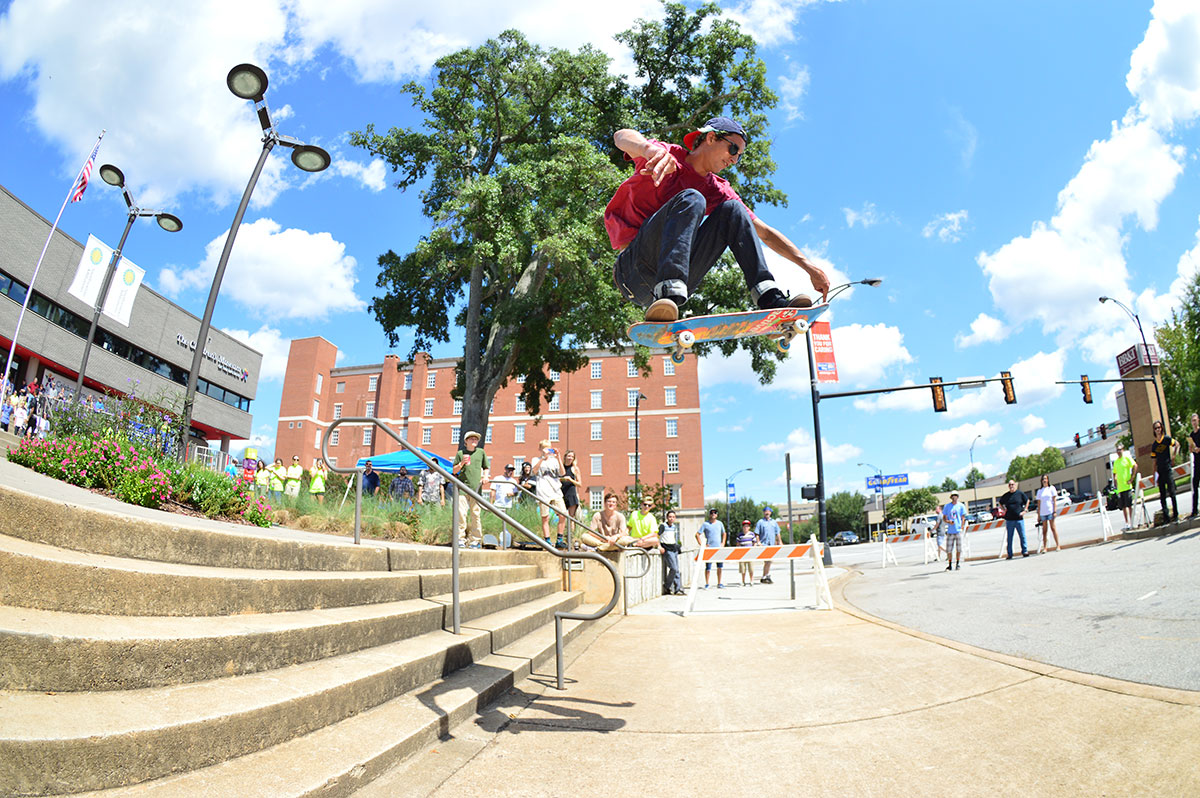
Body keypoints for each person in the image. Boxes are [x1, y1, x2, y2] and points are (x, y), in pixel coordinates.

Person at [606, 116, 830, 323]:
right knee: (692, 198)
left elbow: (765, 233)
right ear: (711, 137)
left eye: (739, 156)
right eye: (733, 149)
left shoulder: (718, 189)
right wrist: (648, 150)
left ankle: (768, 297)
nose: (734, 159)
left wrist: (809, 267)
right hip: (634, 272)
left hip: (680, 280)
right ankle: (668, 293)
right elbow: (621, 136)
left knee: (734, 209)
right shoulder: (666, 154)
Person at [451, 431, 490, 547]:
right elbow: (454, 471)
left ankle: (476, 539)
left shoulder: (481, 452)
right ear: (466, 441)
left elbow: (486, 467)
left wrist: (485, 476)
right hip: (462, 488)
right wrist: (462, 463)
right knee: (461, 514)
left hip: (476, 489)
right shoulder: (460, 453)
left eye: (476, 439)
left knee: (475, 514)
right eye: (471, 439)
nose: (474, 441)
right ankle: (460, 539)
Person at [530, 440, 567, 545]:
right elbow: (534, 471)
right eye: (544, 448)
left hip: (555, 491)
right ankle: (547, 540)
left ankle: (559, 539)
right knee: (545, 517)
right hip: (543, 491)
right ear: (540, 449)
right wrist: (542, 458)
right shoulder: (535, 459)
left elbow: (562, 473)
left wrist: (559, 457)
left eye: (549, 448)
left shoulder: (554, 460)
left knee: (563, 514)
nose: (547, 451)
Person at [1150, 420, 1179, 524]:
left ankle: (1176, 515)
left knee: (1172, 492)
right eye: (1156, 428)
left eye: (1159, 427)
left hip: (1167, 469)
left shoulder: (1166, 439)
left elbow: (1177, 444)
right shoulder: (1154, 445)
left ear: (1161, 428)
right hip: (1160, 472)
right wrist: (1154, 475)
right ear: (1154, 430)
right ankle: (1166, 518)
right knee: (1162, 496)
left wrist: (1174, 456)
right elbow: (1154, 461)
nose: (1158, 430)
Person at [998, 479, 1031, 559]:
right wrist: (1003, 509)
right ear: (1008, 486)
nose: (1011, 486)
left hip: (1019, 519)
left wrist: (1025, 510)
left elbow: (1027, 501)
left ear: (1015, 485)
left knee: (1022, 536)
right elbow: (1000, 503)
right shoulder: (1006, 496)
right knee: (1009, 538)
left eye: (1012, 484)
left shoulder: (1020, 494)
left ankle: (1024, 551)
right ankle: (1010, 554)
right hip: (1009, 520)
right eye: (1010, 485)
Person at [1112, 442, 1139, 530]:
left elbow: (1135, 465)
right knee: (1123, 507)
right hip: (1120, 488)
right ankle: (1127, 522)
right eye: (1117, 450)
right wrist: (1115, 482)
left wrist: (1132, 478)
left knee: (1129, 505)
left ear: (1122, 450)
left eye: (1120, 450)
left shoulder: (1127, 458)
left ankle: (1132, 522)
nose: (1119, 451)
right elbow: (1114, 473)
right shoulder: (1116, 462)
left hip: (1127, 487)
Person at [697, 508, 726, 588]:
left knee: (720, 566)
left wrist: (723, 543)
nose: (713, 514)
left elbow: (724, 533)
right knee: (708, 567)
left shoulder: (720, 523)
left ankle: (719, 583)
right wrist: (702, 545)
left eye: (715, 512)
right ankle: (707, 583)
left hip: (718, 549)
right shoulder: (705, 524)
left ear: (717, 515)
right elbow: (697, 534)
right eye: (712, 513)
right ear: (709, 514)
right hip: (709, 549)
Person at [754, 506, 781, 584]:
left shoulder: (774, 522)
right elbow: (757, 533)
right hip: (764, 544)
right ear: (763, 512)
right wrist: (758, 542)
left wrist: (779, 541)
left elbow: (777, 533)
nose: (767, 513)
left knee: (769, 561)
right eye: (765, 511)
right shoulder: (760, 522)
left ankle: (765, 576)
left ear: (771, 513)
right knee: (767, 561)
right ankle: (766, 576)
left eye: (768, 511)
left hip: (771, 544)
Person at [659, 509, 683, 595]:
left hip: (673, 548)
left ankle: (678, 588)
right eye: (670, 517)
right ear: (667, 517)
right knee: (673, 568)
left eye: (673, 517)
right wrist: (659, 546)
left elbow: (674, 537)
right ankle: (667, 586)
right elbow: (657, 536)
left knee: (677, 570)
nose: (671, 518)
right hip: (667, 549)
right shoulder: (663, 526)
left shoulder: (673, 527)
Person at [1034, 475, 1061, 552]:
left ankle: (1058, 545)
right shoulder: (1039, 491)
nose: (1044, 480)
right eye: (1043, 479)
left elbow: (1054, 501)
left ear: (1048, 480)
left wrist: (1054, 511)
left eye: (1045, 479)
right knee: (1044, 530)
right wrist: (1038, 515)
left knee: (1053, 528)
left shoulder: (1051, 488)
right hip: (1043, 513)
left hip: (1050, 512)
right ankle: (1045, 547)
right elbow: (1039, 504)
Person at [941, 492, 967, 571]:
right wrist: (948, 521)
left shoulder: (961, 506)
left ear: (957, 497)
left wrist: (961, 526)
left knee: (958, 548)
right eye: (952, 496)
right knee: (949, 549)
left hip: (958, 530)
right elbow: (944, 518)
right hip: (950, 531)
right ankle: (949, 564)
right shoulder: (947, 506)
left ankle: (958, 563)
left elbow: (963, 517)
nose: (954, 497)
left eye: (955, 496)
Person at [560, 450, 582, 523]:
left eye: (572, 457)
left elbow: (580, 484)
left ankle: (571, 534)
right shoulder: (561, 467)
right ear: (565, 457)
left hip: (571, 493)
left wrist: (570, 480)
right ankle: (562, 533)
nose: (570, 458)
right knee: (561, 515)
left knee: (571, 516)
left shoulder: (575, 468)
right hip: (561, 493)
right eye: (569, 456)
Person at [736, 519, 756, 586]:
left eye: (747, 526)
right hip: (742, 554)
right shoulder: (740, 535)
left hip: (750, 553)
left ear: (749, 527)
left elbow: (754, 543)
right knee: (743, 569)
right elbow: (738, 544)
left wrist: (753, 549)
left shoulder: (752, 534)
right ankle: (743, 581)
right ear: (743, 527)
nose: (746, 528)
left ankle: (751, 580)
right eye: (744, 526)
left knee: (751, 568)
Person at [1187, 412, 1199, 519]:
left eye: (1195, 420)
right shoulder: (1192, 435)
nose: (1194, 423)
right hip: (1197, 463)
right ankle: (1195, 510)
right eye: (1192, 421)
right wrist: (1191, 449)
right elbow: (1191, 449)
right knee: (1195, 485)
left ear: (1198, 421)